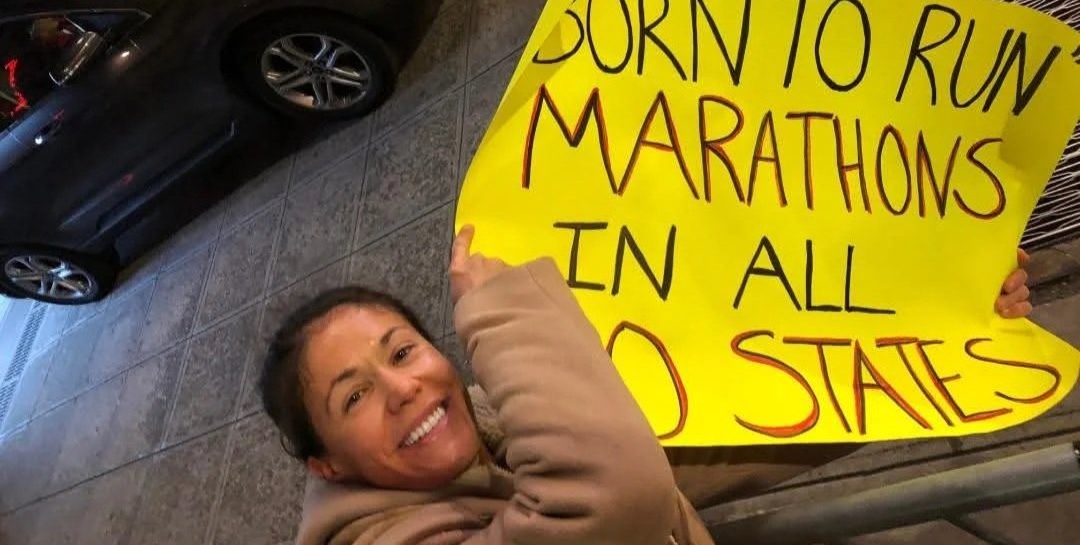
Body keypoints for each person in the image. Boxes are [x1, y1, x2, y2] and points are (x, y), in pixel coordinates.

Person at [260, 225, 1034, 545]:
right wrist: (502, 313)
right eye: (353, 397)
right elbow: (617, 491)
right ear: (325, 464)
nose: (401, 387)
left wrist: (938, 340)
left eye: (402, 350)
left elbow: (700, 443)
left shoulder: (495, 435)